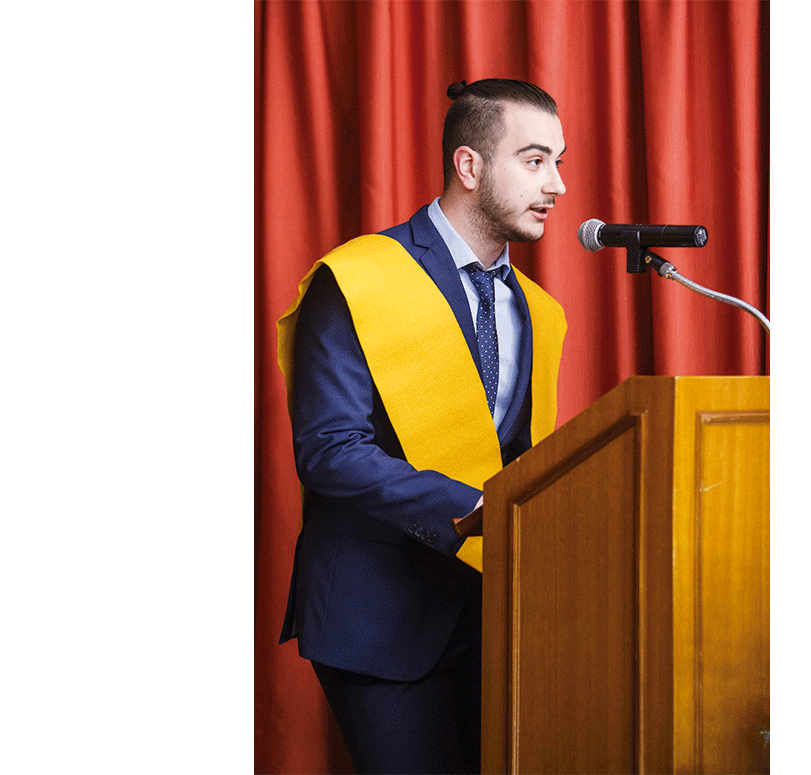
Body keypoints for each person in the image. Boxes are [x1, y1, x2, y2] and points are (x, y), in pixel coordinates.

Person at [276, 78, 568, 774]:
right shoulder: (357, 277)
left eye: (560, 161)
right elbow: (328, 449)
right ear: (469, 166)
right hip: (375, 617)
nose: (556, 184)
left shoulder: (537, 309)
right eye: (534, 160)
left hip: (491, 615)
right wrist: (466, 505)